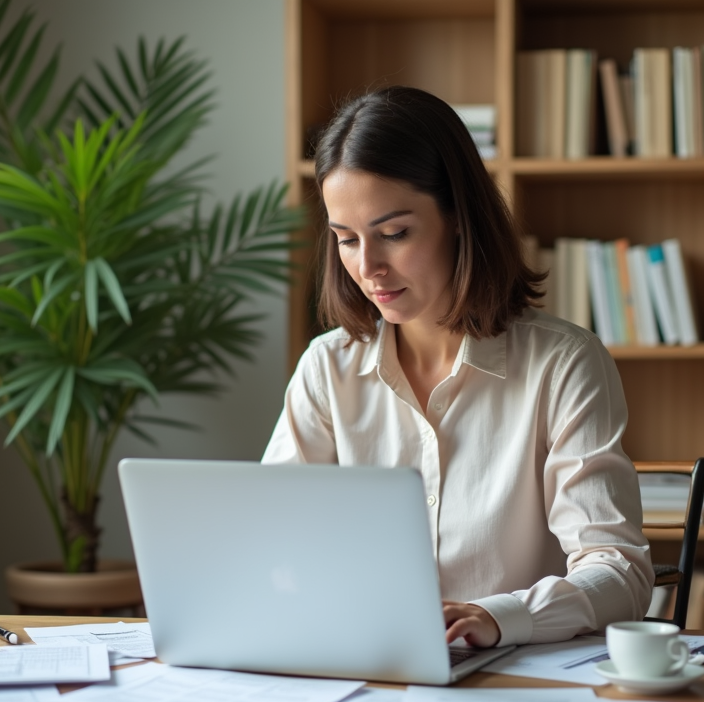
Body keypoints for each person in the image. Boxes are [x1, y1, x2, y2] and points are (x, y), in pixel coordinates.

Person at [262, 85, 653, 648]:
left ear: (459, 217)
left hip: (513, 682)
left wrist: (501, 617)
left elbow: (619, 572)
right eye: (346, 240)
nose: (367, 267)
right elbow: (271, 542)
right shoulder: (327, 370)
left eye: (394, 234)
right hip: (361, 671)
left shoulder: (563, 363)